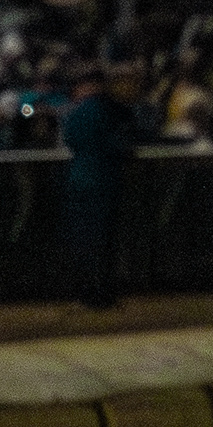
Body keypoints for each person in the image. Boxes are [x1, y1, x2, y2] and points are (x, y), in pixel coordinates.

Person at [58, 66, 137, 309]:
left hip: (82, 180)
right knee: (103, 241)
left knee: (85, 241)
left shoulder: (75, 109)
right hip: (103, 181)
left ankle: (89, 295)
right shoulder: (105, 108)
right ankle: (101, 294)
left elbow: (68, 136)